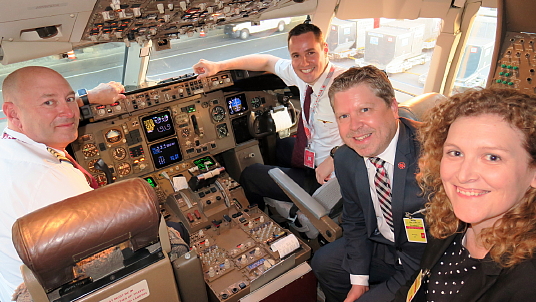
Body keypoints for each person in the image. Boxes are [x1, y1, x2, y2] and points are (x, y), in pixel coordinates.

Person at [394, 88, 536, 302]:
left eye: (492, 157)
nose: (463, 175)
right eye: (456, 153)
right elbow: (417, 285)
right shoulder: (450, 221)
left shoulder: (527, 282)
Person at [0, 66, 126, 301]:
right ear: (14, 114)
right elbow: (110, 256)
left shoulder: (8, 150)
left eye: (69, 99)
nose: (68, 112)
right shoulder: (52, 176)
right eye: (49, 103)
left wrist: (89, 97)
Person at [192, 22, 345, 210]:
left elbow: (375, 127)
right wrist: (218, 65)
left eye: (310, 52)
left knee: (250, 174)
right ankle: (281, 189)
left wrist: (336, 156)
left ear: (325, 49)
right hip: (315, 156)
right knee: (282, 145)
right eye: (296, 55)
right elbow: (267, 62)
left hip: (330, 180)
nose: (304, 62)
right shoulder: (304, 74)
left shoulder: (344, 84)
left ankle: (260, 216)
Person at [311, 66, 428, 302]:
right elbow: (355, 220)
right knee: (323, 263)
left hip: (426, 259)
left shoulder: (434, 152)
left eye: (364, 110)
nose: (354, 126)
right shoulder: (345, 158)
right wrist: (359, 280)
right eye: (344, 116)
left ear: (393, 108)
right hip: (383, 244)